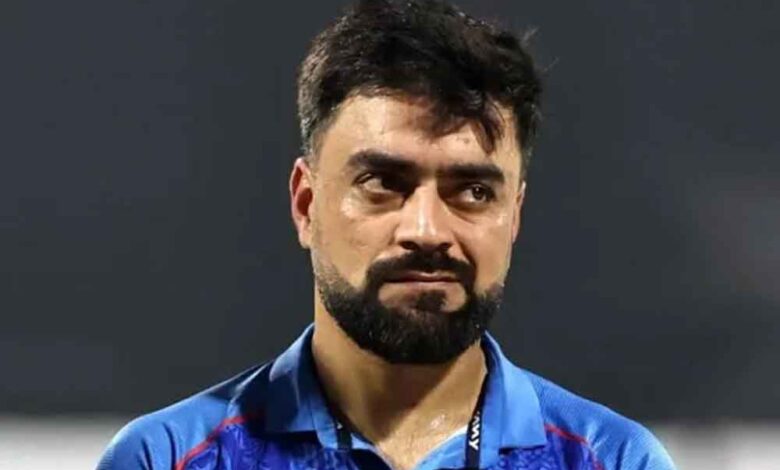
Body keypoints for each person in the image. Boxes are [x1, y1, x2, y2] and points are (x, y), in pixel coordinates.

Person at [98, 0, 677, 468]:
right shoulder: (166, 458)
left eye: (473, 191)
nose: (426, 230)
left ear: (515, 215)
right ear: (305, 204)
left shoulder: (614, 460)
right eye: (382, 183)